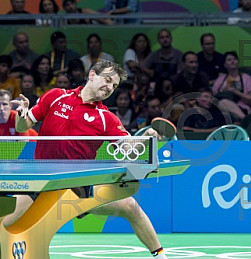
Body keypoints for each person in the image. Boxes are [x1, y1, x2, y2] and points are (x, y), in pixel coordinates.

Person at [10, 60, 168, 259]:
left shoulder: (106, 118)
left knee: (130, 206)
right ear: (92, 74)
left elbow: (128, 147)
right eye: (108, 80)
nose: (110, 87)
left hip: (78, 188)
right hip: (43, 182)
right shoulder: (57, 96)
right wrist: (21, 115)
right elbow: (22, 127)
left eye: (115, 85)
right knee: (6, 221)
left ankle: (160, 256)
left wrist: (147, 139)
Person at [212, 51, 251, 121]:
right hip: (222, 112)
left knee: (224, 103)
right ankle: (246, 121)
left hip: (242, 108)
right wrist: (222, 91)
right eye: (229, 60)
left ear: (238, 62)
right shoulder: (220, 79)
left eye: (234, 59)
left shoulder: (246, 78)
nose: (232, 61)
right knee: (222, 103)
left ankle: (244, 120)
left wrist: (235, 91)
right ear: (225, 64)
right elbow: (213, 98)